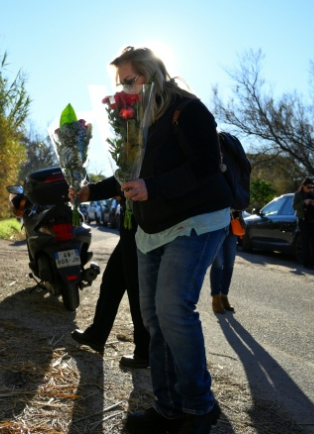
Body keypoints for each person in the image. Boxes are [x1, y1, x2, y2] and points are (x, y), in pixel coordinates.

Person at [116, 46, 232, 434]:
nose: (125, 91)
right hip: (152, 230)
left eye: (130, 81)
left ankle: (200, 407)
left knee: (173, 308)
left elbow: (205, 163)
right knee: (152, 318)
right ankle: (167, 408)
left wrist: (154, 186)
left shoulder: (188, 108)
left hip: (196, 221)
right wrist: (88, 191)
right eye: (121, 84)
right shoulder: (135, 121)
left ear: (152, 73)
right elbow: (129, 174)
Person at [69, 177, 150, 368]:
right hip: (131, 224)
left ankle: (145, 350)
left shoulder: (147, 149)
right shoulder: (134, 152)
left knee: (136, 286)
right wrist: (88, 191)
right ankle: (98, 333)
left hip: (144, 224)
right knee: (112, 279)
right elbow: (120, 179)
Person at [210, 210, 242, 314]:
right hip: (216, 225)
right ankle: (216, 298)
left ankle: (224, 296)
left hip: (232, 224)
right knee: (218, 263)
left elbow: (243, 201)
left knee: (229, 264)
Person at [292, 178, 314, 269]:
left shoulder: (312, 194)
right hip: (303, 219)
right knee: (305, 242)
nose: (310, 189)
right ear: (303, 186)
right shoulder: (298, 194)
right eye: (308, 187)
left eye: (312, 187)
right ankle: (307, 262)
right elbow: (294, 206)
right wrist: (303, 202)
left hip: (312, 219)